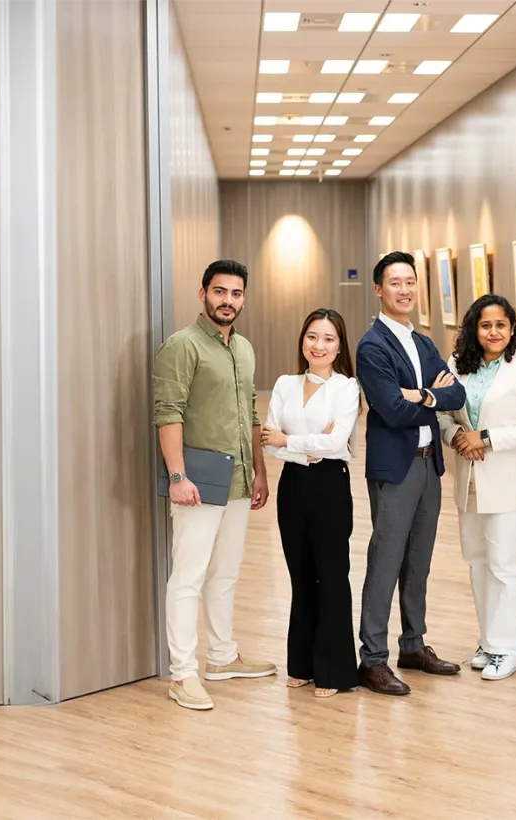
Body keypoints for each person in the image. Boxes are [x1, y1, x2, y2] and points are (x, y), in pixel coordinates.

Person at [153, 259, 276, 711]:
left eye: (237, 293)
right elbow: (168, 414)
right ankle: (183, 674)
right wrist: (178, 476)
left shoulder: (243, 348)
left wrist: (260, 471)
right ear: (203, 293)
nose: (228, 301)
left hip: (241, 480)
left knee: (224, 574)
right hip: (198, 482)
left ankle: (223, 656)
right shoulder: (181, 346)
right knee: (188, 577)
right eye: (220, 292)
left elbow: (251, 414)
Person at [354, 251, 467, 696]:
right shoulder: (372, 346)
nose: (404, 290)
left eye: (410, 282)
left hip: (429, 467)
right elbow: (393, 411)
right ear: (379, 289)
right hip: (395, 469)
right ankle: (373, 659)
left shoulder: (423, 343)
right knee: (385, 561)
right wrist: (427, 398)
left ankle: (413, 645)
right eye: (394, 283)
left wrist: (419, 394)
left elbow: (454, 392)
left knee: (418, 561)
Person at [438, 294, 516, 681]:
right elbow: (442, 413)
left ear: (512, 328)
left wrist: (485, 438)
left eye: (501, 325)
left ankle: (507, 649)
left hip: (511, 485)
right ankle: (488, 642)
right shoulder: (457, 366)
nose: (493, 332)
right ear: (474, 329)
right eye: (485, 325)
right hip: (469, 483)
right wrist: (456, 436)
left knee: (507, 568)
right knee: (478, 564)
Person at [261, 309, 361, 698]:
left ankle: (335, 671)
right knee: (301, 576)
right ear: (302, 340)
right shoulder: (285, 383)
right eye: (312, 337)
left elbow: (336, 445)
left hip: (330, 488)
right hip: (293, 487)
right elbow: (270, 440)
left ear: (340, 346)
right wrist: (305, 446)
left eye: (329, 339)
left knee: (332, 576)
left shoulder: (346, 388)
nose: (319, 346)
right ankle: (301, 664)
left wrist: (291, 441)